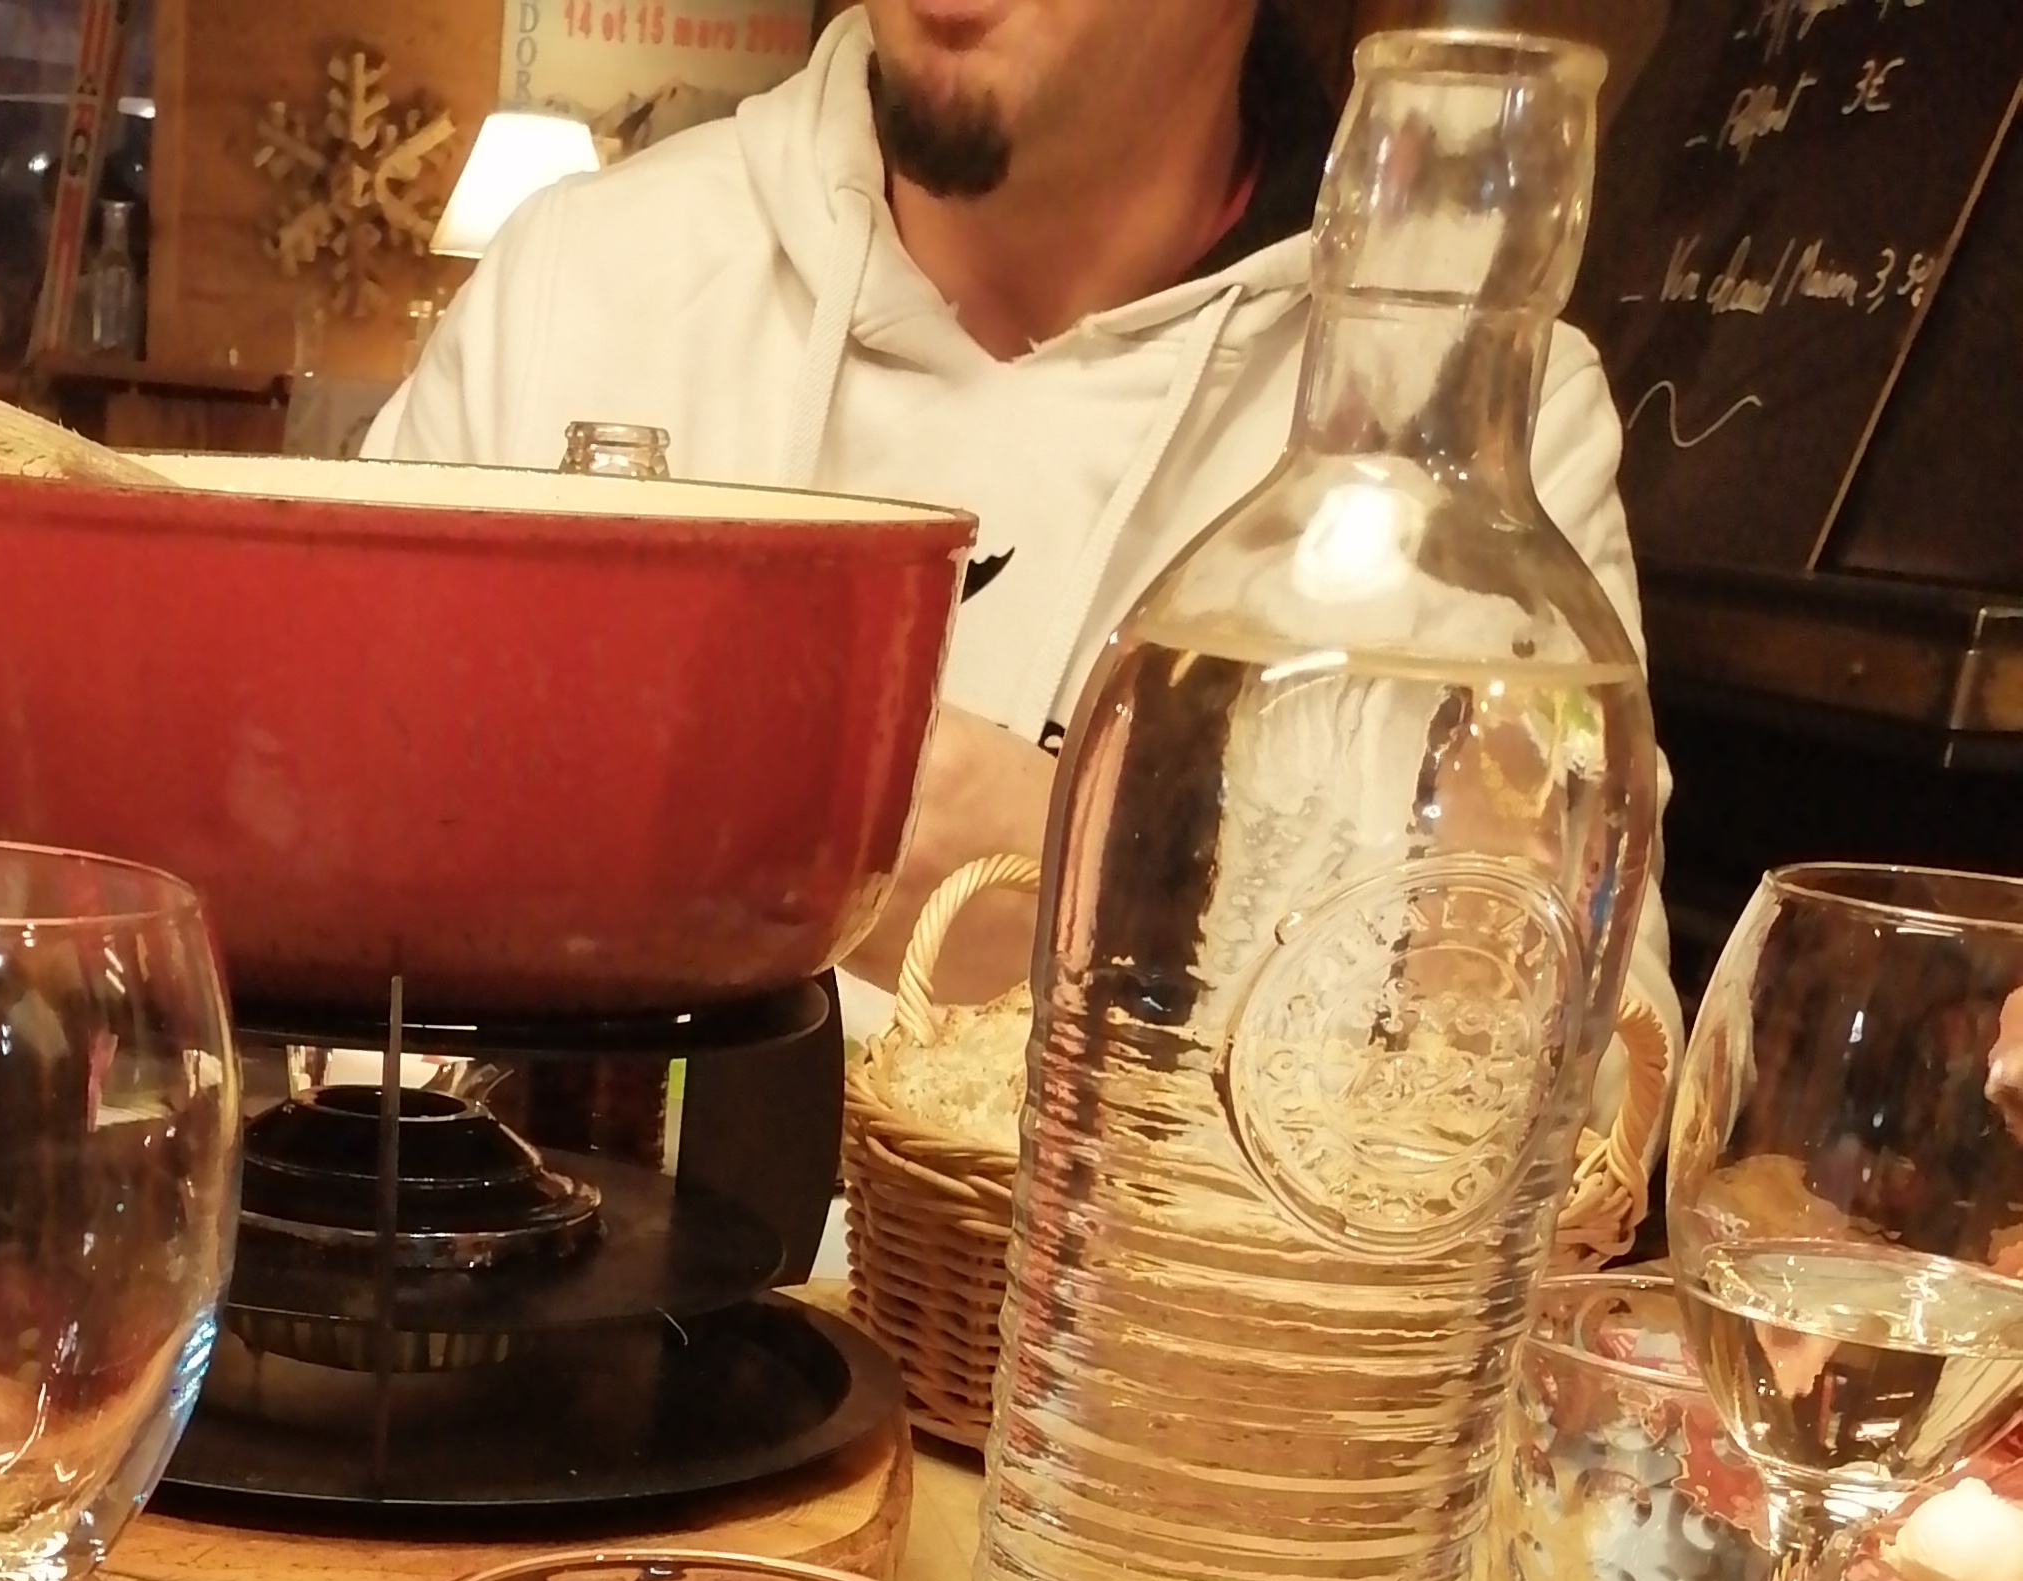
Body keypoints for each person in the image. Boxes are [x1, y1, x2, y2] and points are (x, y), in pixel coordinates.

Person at [376, 0, 1677, 1203]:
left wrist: (1118, 913)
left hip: (1123, 1368)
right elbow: (319, 938)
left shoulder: (1468, 423)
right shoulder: (575, 284)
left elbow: (1586, 1120)